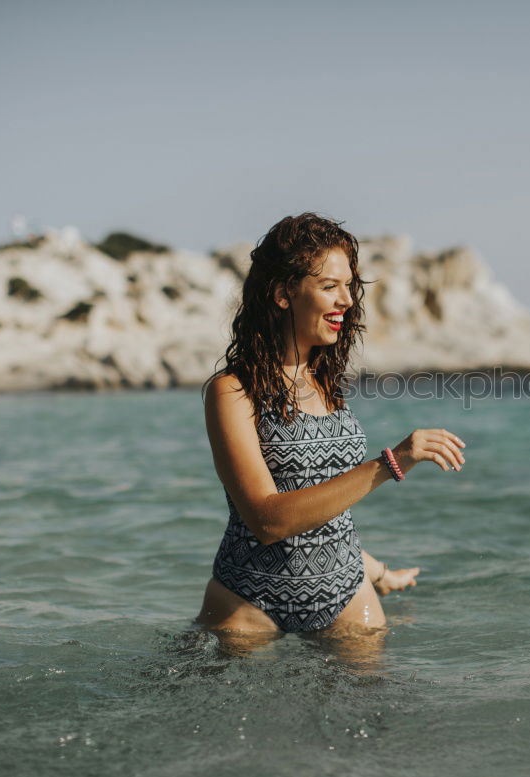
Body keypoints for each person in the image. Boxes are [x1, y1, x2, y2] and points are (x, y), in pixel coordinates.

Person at [195, 212, 466, 653]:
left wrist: (377, 572)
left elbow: (325, 507)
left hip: (346, 594)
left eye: (349, 286)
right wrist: (391, 463)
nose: (347, 300)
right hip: (247, 601)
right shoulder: (232, 392)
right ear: (284, 293)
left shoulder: (325, 380)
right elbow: (269, 520)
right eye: (329, 286)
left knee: (376, 720)